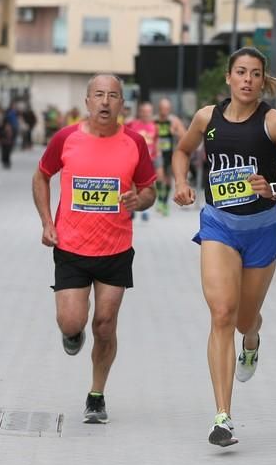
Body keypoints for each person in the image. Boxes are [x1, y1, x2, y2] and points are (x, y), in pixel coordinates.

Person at [172, 47, 276, 447]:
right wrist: (181, 183)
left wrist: (274, 188)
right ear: (229, 78)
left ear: (263, 80)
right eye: (241, 72)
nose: (248, 79)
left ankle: (252, 340)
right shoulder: (206, 118)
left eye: (255, 73)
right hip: (219, 225)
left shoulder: (274, 122)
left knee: (244, 319)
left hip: (262, 229)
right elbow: (182, 150)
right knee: (221, 313)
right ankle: (223, 417)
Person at [31, 74, 157, 424]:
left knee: (105, 324)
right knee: (72, 321)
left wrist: (139, 200)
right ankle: (73, 331)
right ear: (87, 101)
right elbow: (41, 175)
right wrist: (46, 221)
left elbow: (150, 190)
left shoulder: (134, 142)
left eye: (112, 96)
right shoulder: (65, 138)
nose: (105, 102)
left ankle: (97, 394)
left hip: (115, 248)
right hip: (71, 246)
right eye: (98, 95)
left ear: (121, 104)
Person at [126, 102, 158, 221]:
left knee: (149, 187)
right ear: (140, 112)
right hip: (134, 159)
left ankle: (146, 211)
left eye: (148, 112)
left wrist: (158, 154)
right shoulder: (132, 124)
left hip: (150, 160)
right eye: (144, 111)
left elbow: (157, 141)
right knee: (133, 185)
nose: (146, 114)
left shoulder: (155, 126)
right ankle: (132, 208)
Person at [154, 98, 186, 216]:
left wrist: (175, 132)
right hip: (158, 153)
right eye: (162, 108)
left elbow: (184, 136)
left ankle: (164, 202)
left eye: (166, 108)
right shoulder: (155, 120)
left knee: (168, 179)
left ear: (169, 109)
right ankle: (159, 199)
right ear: (159, 108)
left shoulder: (174, 121)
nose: (164, 111)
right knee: (159, 176)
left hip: (170, 153)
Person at [1, 102, 19, 169]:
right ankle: (5, 161)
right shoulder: (9, 114)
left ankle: (7, 161)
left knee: (8, 148)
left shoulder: (14, 113)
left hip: (11, 134)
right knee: (5, 148)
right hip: (6, 135)